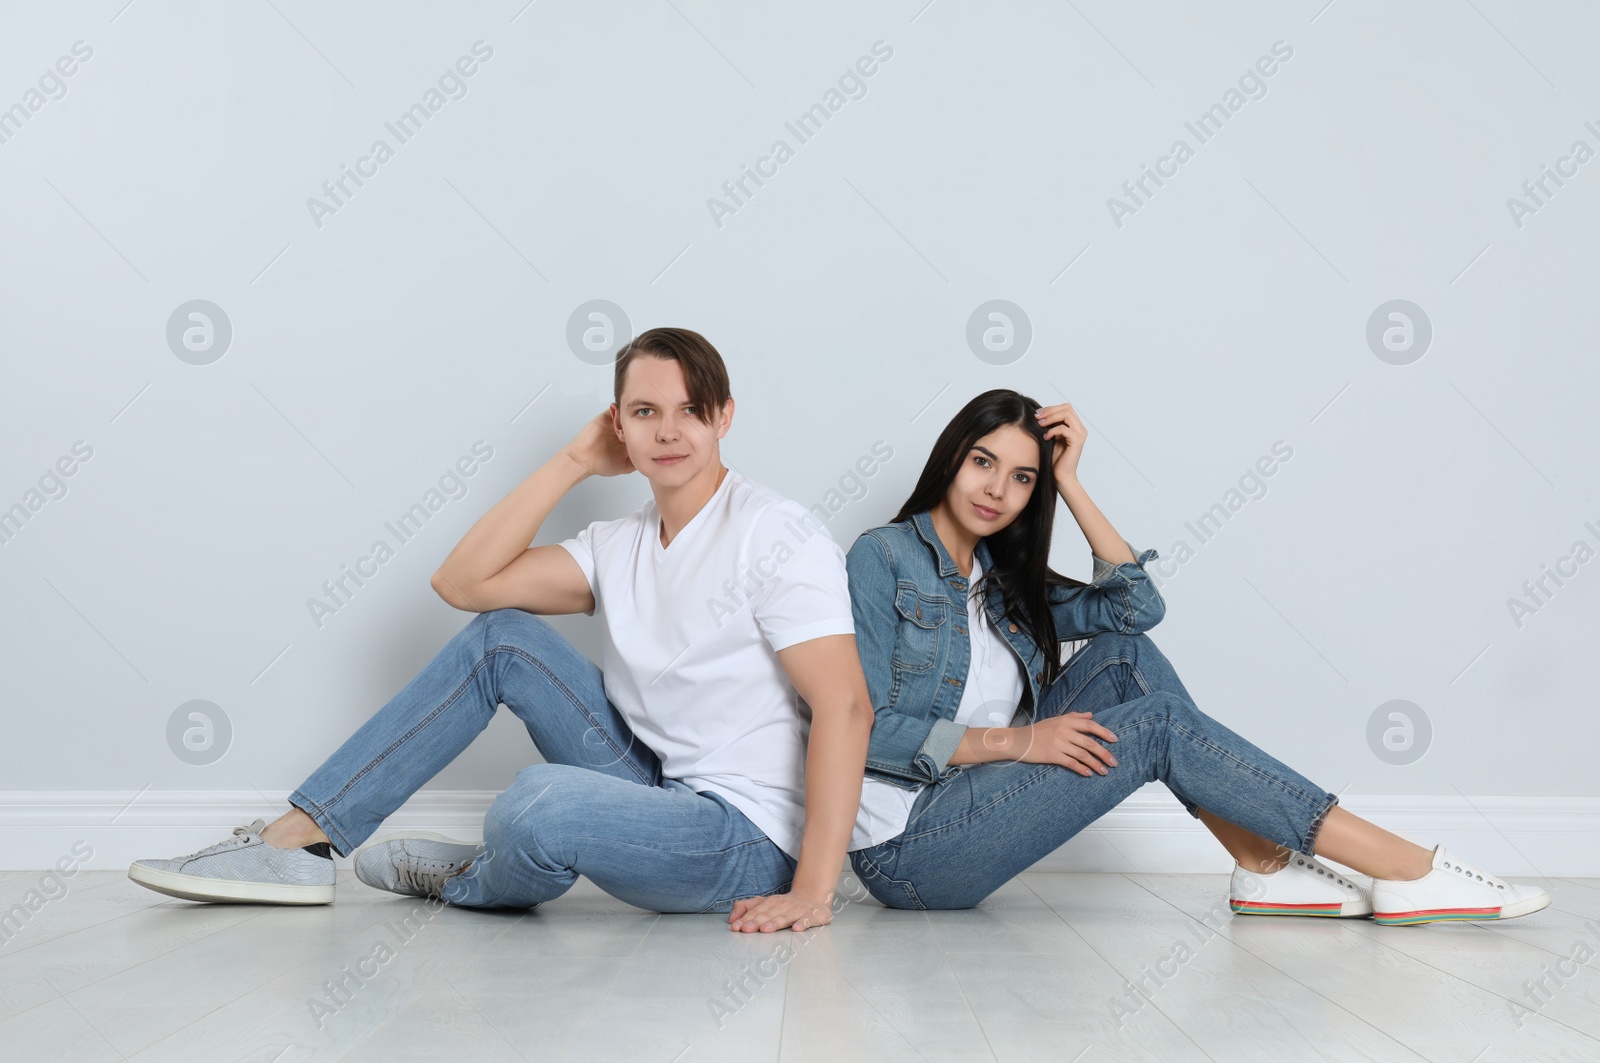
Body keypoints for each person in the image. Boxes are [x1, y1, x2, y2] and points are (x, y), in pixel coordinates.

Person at [129, 327, 876, 934]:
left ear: (725, 417)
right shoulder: (619, 543)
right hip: (653, 784)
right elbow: (464, 584)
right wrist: (574, 461)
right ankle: (300, 841)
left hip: (743, 838)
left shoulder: (776, 533)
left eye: (690, 410)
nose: (669, 431)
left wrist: (813, 890)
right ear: (619, 424)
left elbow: (846, 707)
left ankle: (478, 876)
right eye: (645, 412)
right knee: (504, 637)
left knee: (538, 801)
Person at [841, 388, 1551, 926]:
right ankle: (1404, 866)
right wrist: (1022, 740)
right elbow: (865, 730)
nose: (998, 489)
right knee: (1157, 726)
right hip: (910, 850)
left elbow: (1136, 608)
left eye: (1024, 477)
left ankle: (1263, 864)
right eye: (983, 462)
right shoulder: (883, 557)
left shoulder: (1002, 585)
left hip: (981, 798)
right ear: (952, 457)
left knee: (1125, 656)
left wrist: (1075, 484)